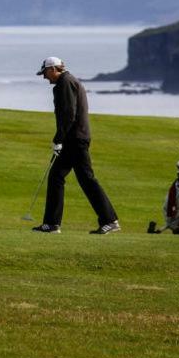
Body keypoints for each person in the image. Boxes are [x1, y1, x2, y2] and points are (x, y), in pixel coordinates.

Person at [33, 57, 120, 234]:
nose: (44, 77)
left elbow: (68, 115)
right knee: (56, 176)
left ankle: (109, 220)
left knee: (86, 179)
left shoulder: (65, 83)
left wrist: (58, 139)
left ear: (53, 69)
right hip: (74, 139)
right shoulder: (67, 81)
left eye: (45, 73)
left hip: (75, 140)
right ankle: (52, 223)